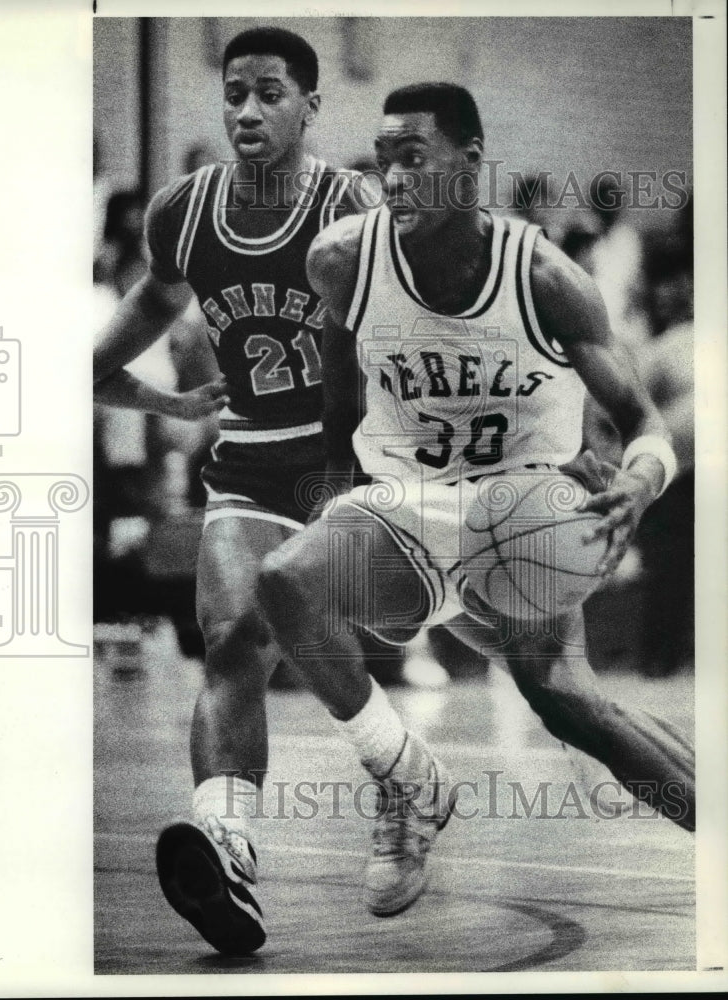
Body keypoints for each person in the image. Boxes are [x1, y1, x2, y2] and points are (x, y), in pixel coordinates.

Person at [256, 83, 695, 920]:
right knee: (286, 581)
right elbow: (339, 411)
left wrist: (637, 480)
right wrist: (336, 518)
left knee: (573, 707)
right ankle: (405, 778)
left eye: (413, 159)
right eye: (383, 162)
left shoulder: (543, 276)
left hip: (521, 510)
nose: (392, 179)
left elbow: (645, 425)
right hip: (405, 509)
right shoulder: (342, 259)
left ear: (469, 162)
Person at [94, 27, 364, 955]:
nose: (247, 111)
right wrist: (169, 398)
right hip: (248, 461)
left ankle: (407, 774)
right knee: (229, 636)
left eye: (271, 93)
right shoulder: (184, 213)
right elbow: (100, 359)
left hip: (342, 462)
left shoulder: (349, 208)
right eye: (234, 93)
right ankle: (228, 848)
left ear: (309, 106)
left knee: (325, 646)